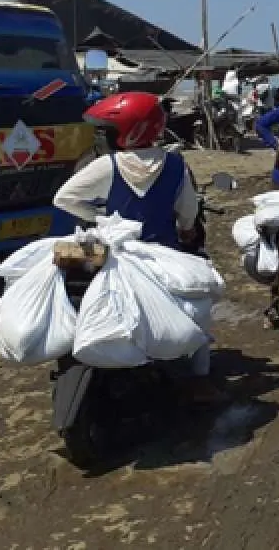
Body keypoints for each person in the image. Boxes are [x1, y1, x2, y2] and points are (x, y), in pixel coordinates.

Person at [53, 92, 222, 404]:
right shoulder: (175, 165)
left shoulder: (107, 166)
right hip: (161, 257)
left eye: (110, 130)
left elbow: (63, 199)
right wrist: (186, 230)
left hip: (114, 255)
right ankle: (199, 379)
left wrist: (104, 219)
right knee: (200, 306)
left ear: (127, 132)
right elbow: (187, 215)